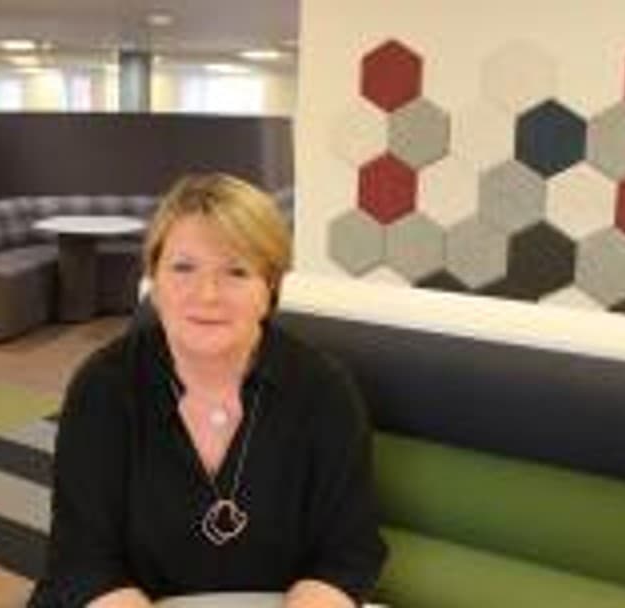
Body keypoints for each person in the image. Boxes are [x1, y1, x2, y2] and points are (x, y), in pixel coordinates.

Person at [28, 173, 387, 608]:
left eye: (236, 271)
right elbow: (84, 561)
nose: (207, 294)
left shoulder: (324, 391)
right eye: (183, 268)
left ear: (270, 288)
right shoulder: (103, 387)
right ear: (154, 280)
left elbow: (348, 553)